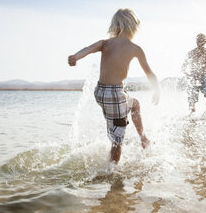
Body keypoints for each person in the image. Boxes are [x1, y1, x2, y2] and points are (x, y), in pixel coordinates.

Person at [68, 9, 160, 164]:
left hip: (100, 93)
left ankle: (143, 138)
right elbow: (150, 73)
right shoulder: (135, 48)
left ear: (115, 25)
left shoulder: (105, 43)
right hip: (114, 96)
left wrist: (76, 57)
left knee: (135, 104)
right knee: (117, 140)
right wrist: (157, 90)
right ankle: (112, 172)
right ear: (134, 26)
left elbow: (87, 49)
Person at [182, 33, 206, 115]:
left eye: (201, 41)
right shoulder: (191, 53)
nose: (199, 42)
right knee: (192, 104)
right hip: (193, 78)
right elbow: (183, 67)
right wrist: (189, 75)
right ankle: (190, 118)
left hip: (203, 77)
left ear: (205, 41)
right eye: (198, 41)